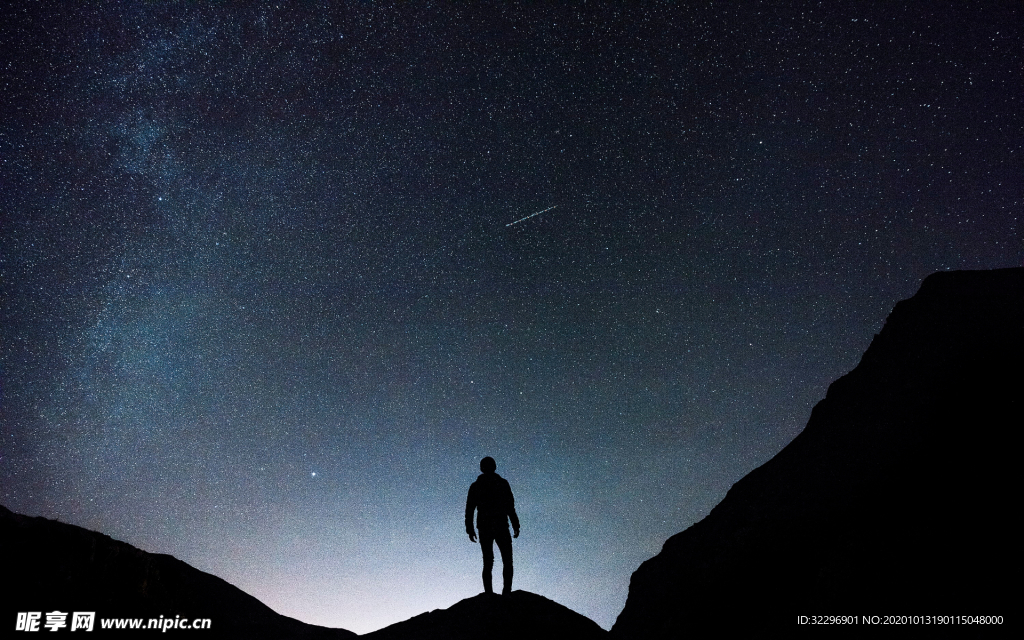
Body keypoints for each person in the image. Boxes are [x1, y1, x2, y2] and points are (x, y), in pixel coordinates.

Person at [465, 456, 520, 595]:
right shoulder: (497, 484)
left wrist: (515, 523)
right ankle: (500, 592)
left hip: (492, 526)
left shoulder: (485, 485)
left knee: (495, 561)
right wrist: (469, 528)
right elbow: (470, 508)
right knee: (498, 561)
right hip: (492, 526)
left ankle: (500, 592)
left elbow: (509, 506)